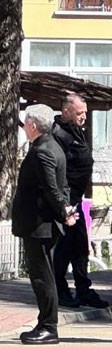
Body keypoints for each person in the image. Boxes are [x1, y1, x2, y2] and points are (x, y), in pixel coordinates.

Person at [13, 104, 79, 345]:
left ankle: (48, 326)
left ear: (32, 125)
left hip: (40, 223)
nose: (24, 128)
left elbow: (52, 188)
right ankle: (46, 323)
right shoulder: (52, 146)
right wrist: (67, 209)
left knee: (42, 277)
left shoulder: (43, 150)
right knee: (43, 274)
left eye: (25, 124)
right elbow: (62, 186)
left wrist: (64, 211)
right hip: (43, 222)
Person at [51, 93, 108, 309]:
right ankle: (60, 289)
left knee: (80, 247)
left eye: (85, 112)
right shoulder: (58, 134)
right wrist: (63, 203)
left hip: (77, 198)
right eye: (79, 113)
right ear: (66, 112)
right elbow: (58, 169)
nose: (83, 116)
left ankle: (84, 290)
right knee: (65, 247)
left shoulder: (77, 131)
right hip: (65, 200)